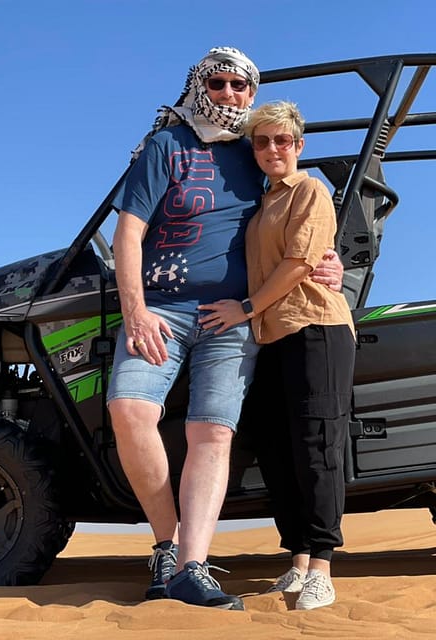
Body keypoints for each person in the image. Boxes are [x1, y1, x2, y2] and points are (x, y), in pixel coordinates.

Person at [107, 48, 344, 611]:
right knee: (129, 410)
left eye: (241, 85)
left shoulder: (255, 152)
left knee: (212, 433)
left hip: (232, 315)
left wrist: (328, 260)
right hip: (161, 308)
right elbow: (129, 232)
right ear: (200, 86)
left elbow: (294, 218)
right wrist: (135, 310)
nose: (230, 94)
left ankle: (192, 568)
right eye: (218, 83)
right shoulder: (166, 145)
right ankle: (167, 547)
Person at [198, 101, 356, 611]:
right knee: (276, 448)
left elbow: (299, 262)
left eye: (281, 140)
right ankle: (299, 561)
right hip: (269, 335)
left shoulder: (310, 190)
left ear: (298, 145)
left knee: (316, 444)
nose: (271, 149)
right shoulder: (261, 201)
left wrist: (245, 307)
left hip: (315, 327)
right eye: (262, 141)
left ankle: (322, 568)